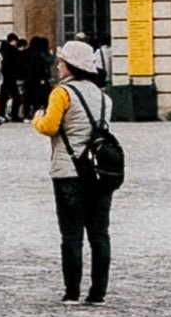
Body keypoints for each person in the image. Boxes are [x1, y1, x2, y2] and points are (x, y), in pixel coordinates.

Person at [38, 54, 123, 303]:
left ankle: (72, 292)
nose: (58, 66)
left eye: (61, 63)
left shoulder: (61, 93)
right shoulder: (104, 97)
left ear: (72, 65)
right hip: (99, 171)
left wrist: (36, 118)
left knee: (72, 234)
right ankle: (98, 293)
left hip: (69, 170)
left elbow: (49, 127)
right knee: (100, 234)